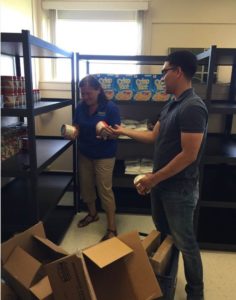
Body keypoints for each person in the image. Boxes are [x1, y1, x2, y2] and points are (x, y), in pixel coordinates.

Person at [111, 51, 208, 300]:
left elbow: (189, 155)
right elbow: (154, 136)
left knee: (185, 243)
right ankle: (166, 280)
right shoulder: (171, 104)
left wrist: (153, 179)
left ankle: (195, 294)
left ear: (177, 72)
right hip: (163, 185)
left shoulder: (193, 107)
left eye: (164, 71)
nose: (161, 77)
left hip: (179, 190)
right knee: (165, 236)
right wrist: (122, 131)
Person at [71, 75, 121, 241]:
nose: (85, 97)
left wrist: (107, 134)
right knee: (86, 186)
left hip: (104, 155)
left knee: (104, 190)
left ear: (98, 90)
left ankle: (112, 228)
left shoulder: (111, 108)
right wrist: (73, 132)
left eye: (89, 93)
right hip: (85, 152)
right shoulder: (80, 107)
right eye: (82, 94)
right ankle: (92, 214)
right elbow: (77, 125)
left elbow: (117, 133)